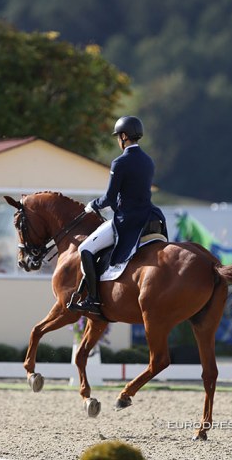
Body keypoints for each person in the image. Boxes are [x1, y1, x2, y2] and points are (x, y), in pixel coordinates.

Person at [68, 115, 167, 314]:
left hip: (128, 220)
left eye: (117, 137)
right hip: (150, 216)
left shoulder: (120, 162)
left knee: (85, 249)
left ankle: (93, 300)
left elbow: (110, 199)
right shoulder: (148, 161)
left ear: (123, 136)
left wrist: (92, 205)